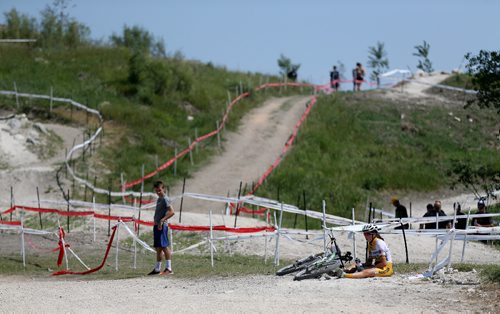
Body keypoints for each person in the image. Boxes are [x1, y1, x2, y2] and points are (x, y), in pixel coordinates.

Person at [148, 180, 175, 275]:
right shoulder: (159, 199)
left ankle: (169, 268)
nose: (158, 192)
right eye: (156, 191)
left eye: (159, 190)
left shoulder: (165, 199)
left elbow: (172, 212)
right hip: (156, 225)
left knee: (164, 246)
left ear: (163, 189)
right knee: (158, 247)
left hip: (162, 226)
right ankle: (157, 269)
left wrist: (162, 220)